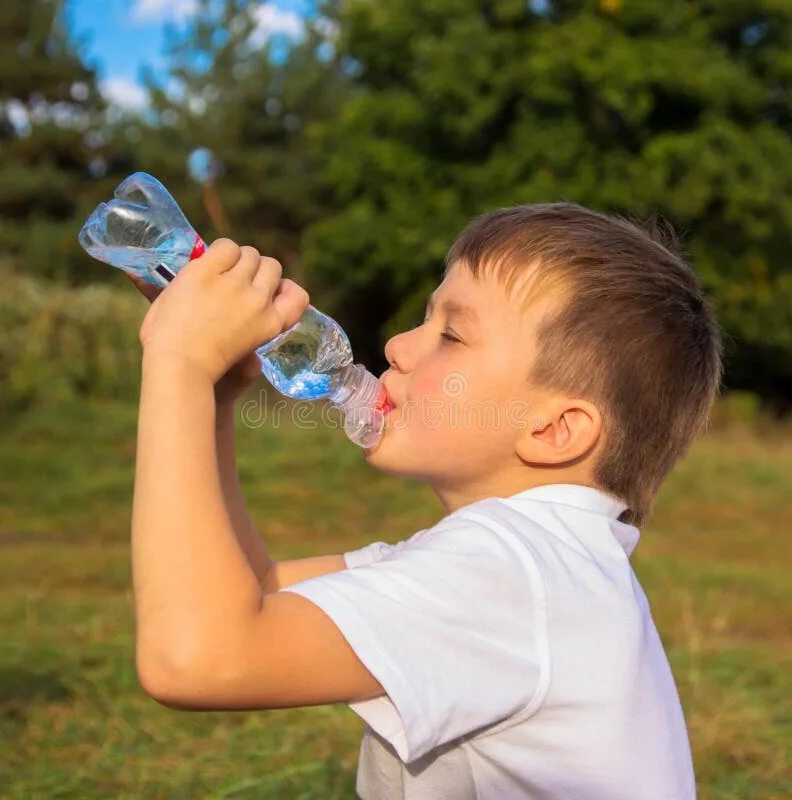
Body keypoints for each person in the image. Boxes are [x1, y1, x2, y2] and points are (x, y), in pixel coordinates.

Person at [128, 202, 722, 799]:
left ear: (552, 430)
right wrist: (213, 396)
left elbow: (197, 657)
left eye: (452, 335)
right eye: (426, 319)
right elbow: (251, 591)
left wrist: (178, 364)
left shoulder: (513, 572)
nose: (397, 346)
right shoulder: (530, 566)